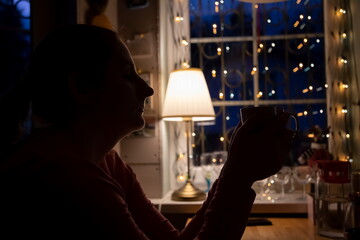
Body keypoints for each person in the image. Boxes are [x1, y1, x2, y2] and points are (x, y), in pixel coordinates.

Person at [0, 24, 294, 239]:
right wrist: (238, 176)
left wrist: (234, 171)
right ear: (81, 88)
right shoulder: (67, 177)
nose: (148, 89)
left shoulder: (108, 163)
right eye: (128, 75)